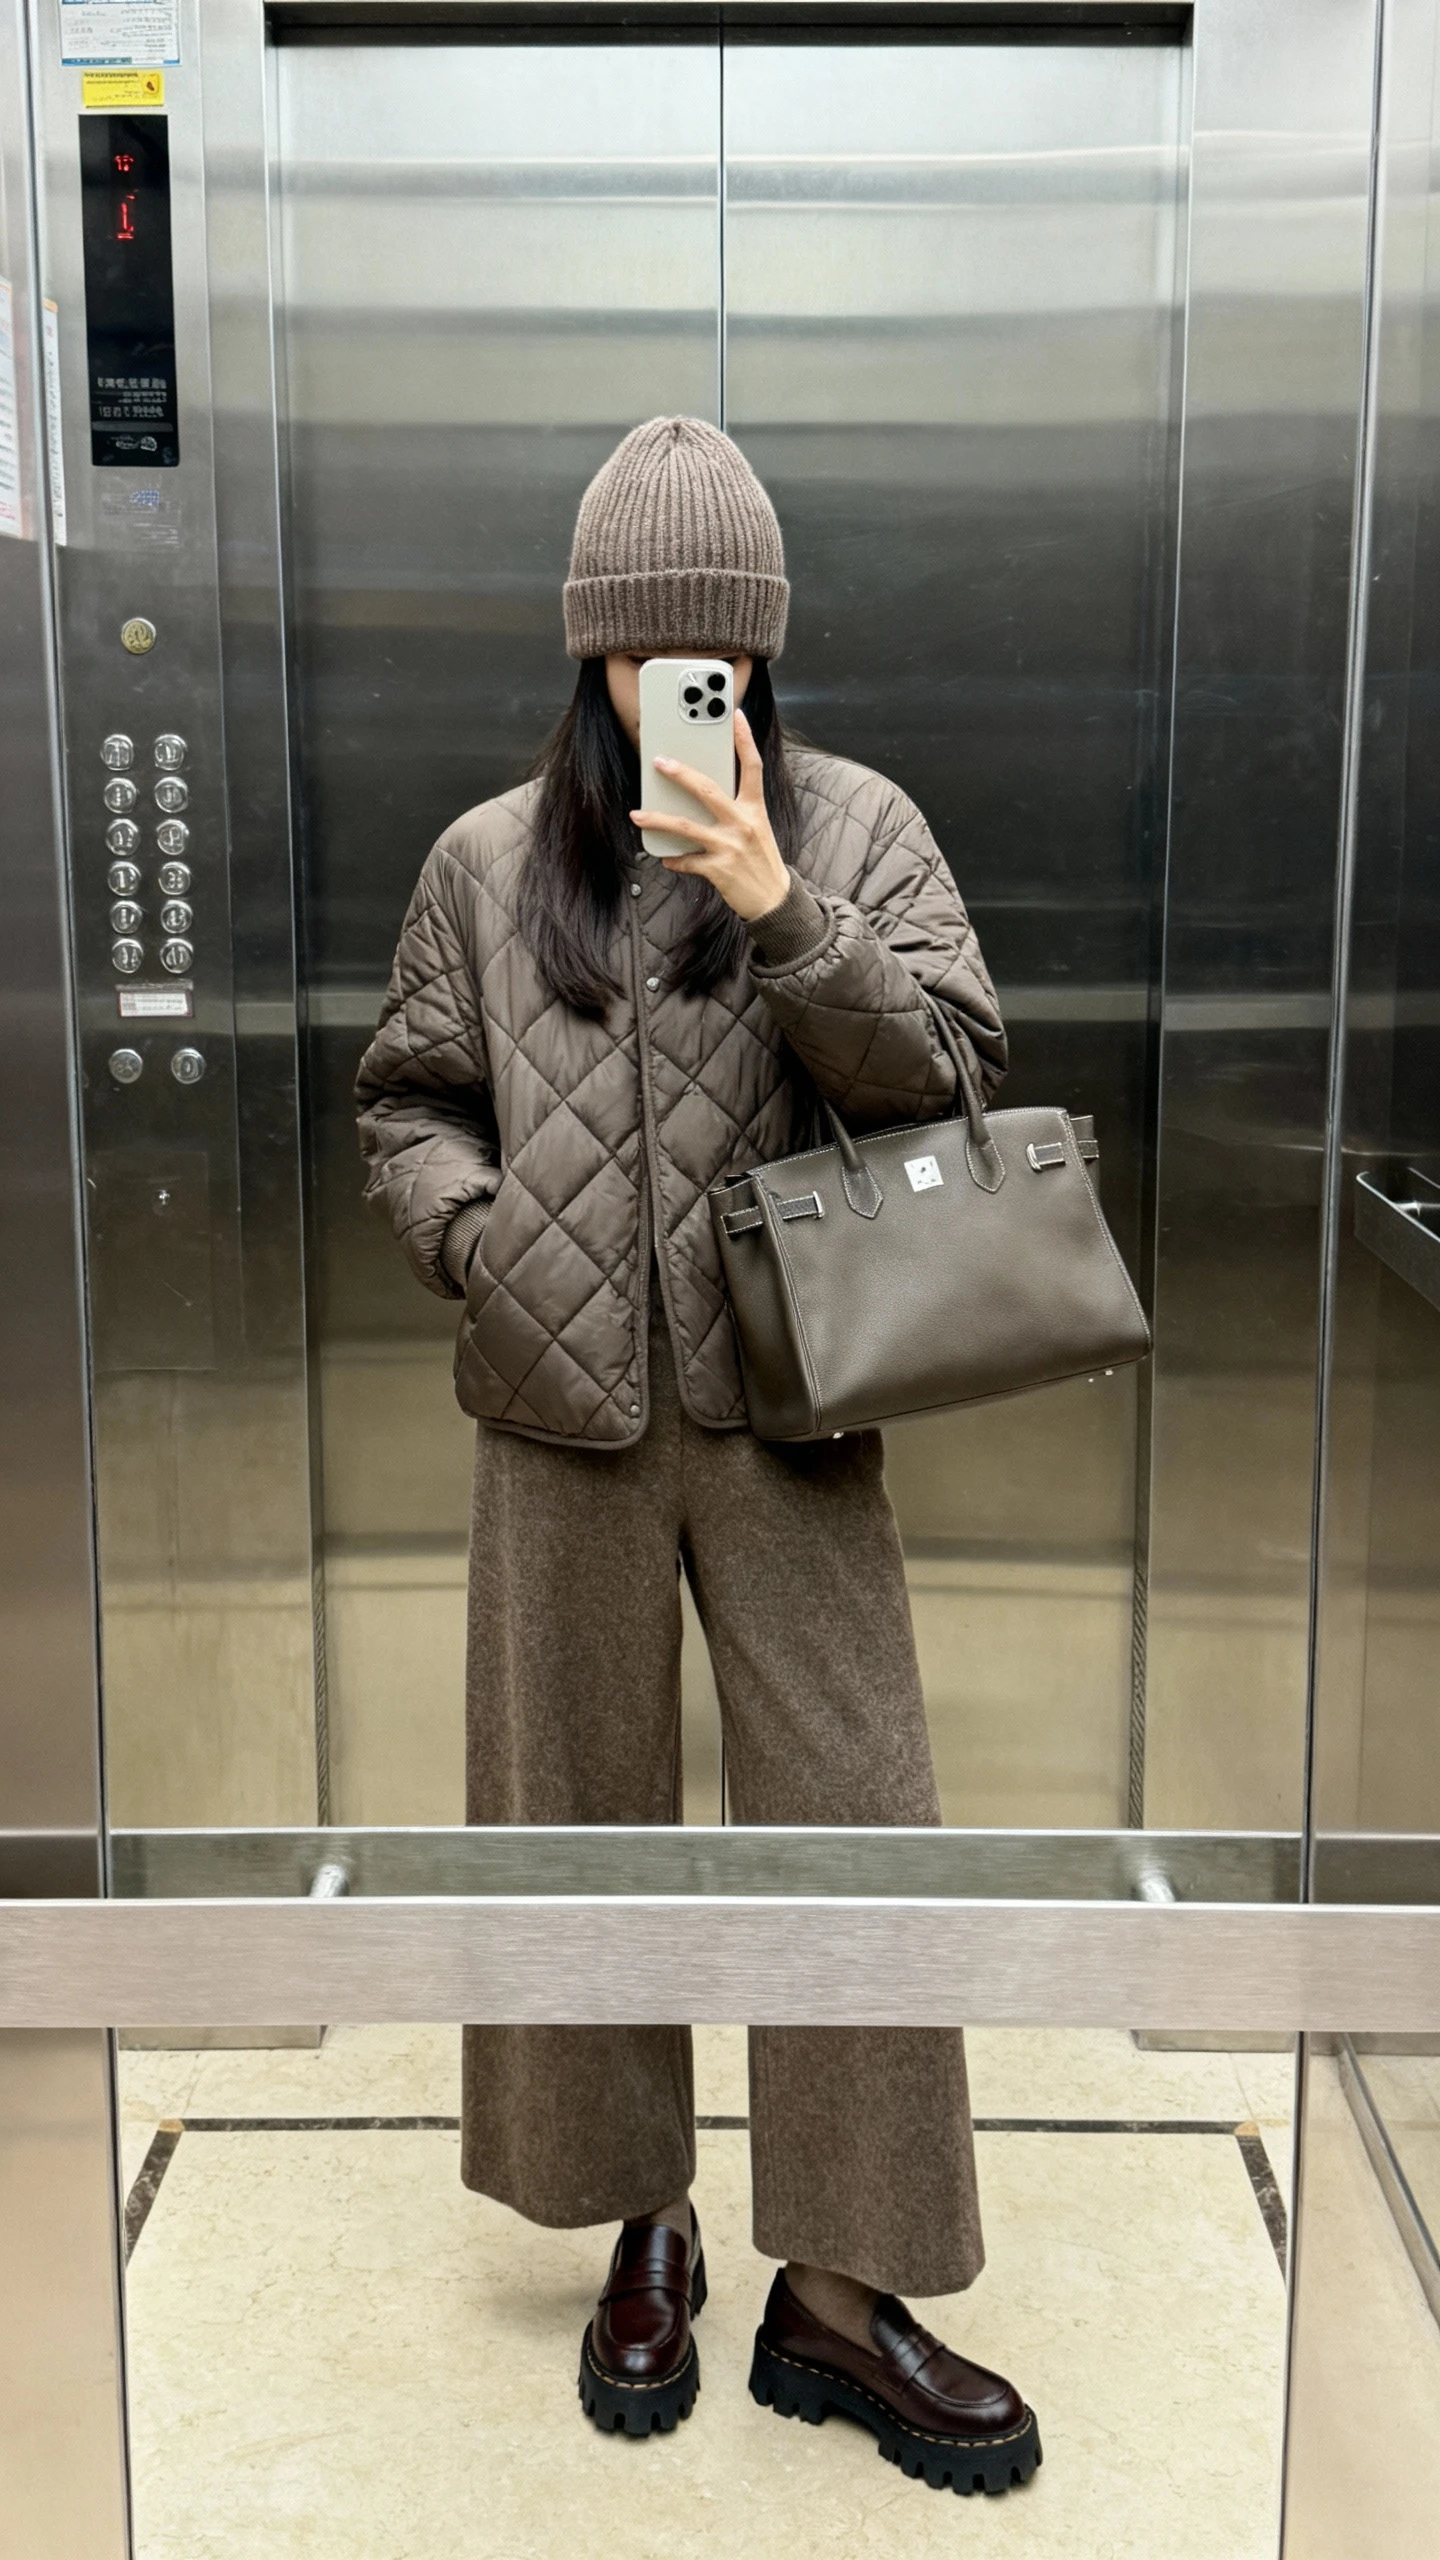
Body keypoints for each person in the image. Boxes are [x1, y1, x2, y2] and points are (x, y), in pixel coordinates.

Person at [355, 416, 1040, 2496]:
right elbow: (406, 1101)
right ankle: (636, 2212)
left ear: (759, 651)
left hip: (793, 1403)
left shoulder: (859, 827)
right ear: (586, 652)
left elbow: (953, 1082)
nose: (673, 682)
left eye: (710, 651)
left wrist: (785, 906)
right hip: (555, 1426)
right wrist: (480, 1244)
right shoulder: (488, 863)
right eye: (638, 650)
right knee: (578, 1819)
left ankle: (840, 2282)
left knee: (856, 1818)